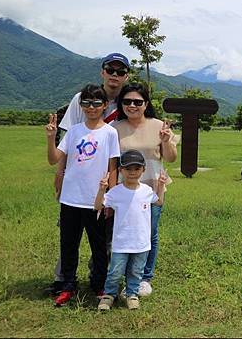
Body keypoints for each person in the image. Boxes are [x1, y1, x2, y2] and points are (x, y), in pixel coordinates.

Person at [48, 53, 130, 295]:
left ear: (126, 75)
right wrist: (60, 172)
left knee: (101, 237)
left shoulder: (127, 101)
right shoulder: (81, 98)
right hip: (77, 182)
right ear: (102, 71)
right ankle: (64, 280)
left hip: (107, 180)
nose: (114, 75)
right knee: (69, 235)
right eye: (110, 69)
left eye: (120, 71)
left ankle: (99, 281)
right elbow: (69, 137)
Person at [113, 82, 179, 296]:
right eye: (127, 101)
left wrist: (167, 142)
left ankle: (144, 278)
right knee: (123, 234)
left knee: (149, 234)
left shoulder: (159, 126)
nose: (132, 105)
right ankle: (121, 276)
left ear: (146, 104)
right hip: (123, 191)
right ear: (121, 103)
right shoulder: (115, 128)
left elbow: (170, 158)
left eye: (137, 102)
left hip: (152, 187)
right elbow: (112, 162)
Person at [95, 150, 167, 310]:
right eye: (128, 169)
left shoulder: (147, 191)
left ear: (143, 169)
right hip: (121, 242)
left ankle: (132, 294)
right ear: (121, 170)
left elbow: (159, 202)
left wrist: (161, 186)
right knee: (115, 271)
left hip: (141, 243)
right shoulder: (116, 192)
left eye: (136, 168)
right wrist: (102, 189)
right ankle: (108, 295)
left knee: (136, 271)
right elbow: (98, 206)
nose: (132, 172)